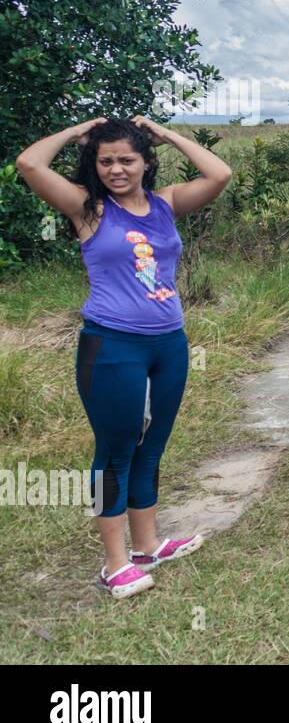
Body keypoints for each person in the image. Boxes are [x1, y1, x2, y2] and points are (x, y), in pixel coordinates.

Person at [15, 115, 232, 600]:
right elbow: (29, 163)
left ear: (146, 162)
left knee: (151, 447)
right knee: (114, 454)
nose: (116, 169)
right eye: (106, 160)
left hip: (169, 344)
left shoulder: (165, 203)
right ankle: (115, 565)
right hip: (112, 346)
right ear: (94, 164)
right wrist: (75, 132)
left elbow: (219, 175)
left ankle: (147, 546)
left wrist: (168, 133)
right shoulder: (87, 209)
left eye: (126, 159)